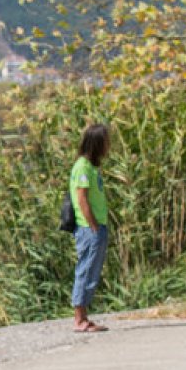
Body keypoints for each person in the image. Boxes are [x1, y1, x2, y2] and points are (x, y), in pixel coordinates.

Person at [70, 123, 111, 333]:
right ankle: (79, 319)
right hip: (89, 229)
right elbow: (82, 198)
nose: (108, 146)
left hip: (96, 227)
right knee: (85, 270)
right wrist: (93, 225)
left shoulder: (92, 167)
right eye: (106, 142)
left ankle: (84, 316)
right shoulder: (83, 167)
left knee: (92, 271)